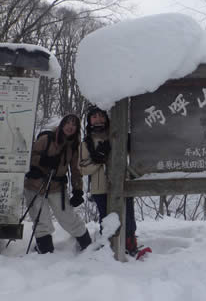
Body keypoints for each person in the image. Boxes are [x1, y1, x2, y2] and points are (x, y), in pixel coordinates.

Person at [24, 114, 91, 254]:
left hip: (57, 186)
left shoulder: (73, 147)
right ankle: (45, 249)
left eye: (74, 124)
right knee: (41, 219)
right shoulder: (46, 139)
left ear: (77, 129)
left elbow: (75, 170)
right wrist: (43, 161)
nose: (70, 126)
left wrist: (78, 190)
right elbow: (29, 155)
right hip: (35, 185)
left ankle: (87, 245)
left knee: (67, 216)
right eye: (68, 123)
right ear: (62, 125)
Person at [79, 105, 139, 256]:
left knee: (129, 218)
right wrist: (99, 158)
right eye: (94, 116)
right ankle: (108, 250)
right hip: (100, 189)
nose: (98, 119)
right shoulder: (86, 143)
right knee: (106, 221)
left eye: (101, 116)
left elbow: (135, 156)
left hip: (123, 184)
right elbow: (82, 168)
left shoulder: (118, 136)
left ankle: (130, 245)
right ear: (89, 120)